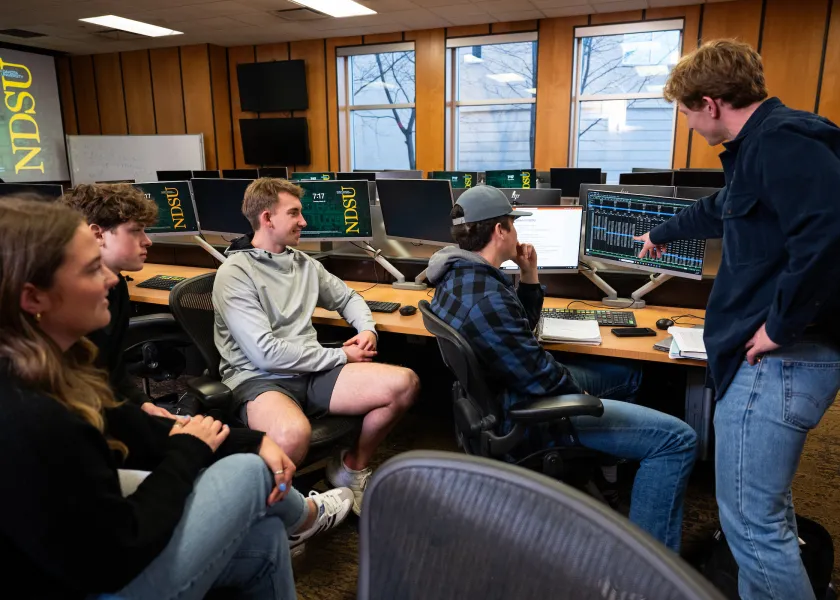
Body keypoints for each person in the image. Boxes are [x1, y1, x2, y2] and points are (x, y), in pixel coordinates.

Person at [0, 198, 354, 599]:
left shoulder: (53, 374)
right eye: (91, 269)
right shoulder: (33, 416)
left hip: (87, 549)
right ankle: (307, 516)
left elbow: (129, 424)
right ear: (34, 298)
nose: (111, 279)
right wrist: (189, 451)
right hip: (102, 576)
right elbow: (115, 554)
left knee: (266, 538)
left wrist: (252, 439)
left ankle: (299, 519)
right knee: (250, 471)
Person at [634, 39, 840, 599]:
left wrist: (780, 326)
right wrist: (661, 233)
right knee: (762, 514)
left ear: (710, 103)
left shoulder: (782, 142)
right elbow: (722, 208)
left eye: (686, 112)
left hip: (782, 360)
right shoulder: (760, 148)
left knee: (752, 527)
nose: (688, 125)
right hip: (779, 359)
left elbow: (826, 239)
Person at [427, 185, 697, 553]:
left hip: (502, 396)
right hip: (529, 412)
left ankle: (607, 469)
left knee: (627, 374)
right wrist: (578, 395)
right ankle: (649, 568)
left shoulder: (457, 275)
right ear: (500, 231)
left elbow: (518, 333)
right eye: (513, 224)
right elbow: (540, 376)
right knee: (678, 440)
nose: (517, 233)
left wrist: (530, 276)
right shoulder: (486, 295)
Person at [213, 177, 420, 514]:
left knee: (403, 384)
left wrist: (367, 329)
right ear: (267, 218)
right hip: (259, 379)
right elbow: (265, 354)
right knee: (292, 435)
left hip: (311, 370)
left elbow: (348, 298)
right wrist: (340, 355)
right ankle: (273, 514)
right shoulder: (235, 273)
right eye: (294, 213)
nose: (304, 222)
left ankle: (350, 469)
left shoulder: (304, 264)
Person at [60, 183, 172, 418]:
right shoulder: (67, 301)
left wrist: (143, 404)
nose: (147, 241)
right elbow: (80, 390)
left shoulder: (117, 285)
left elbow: (113, 371)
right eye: (135, 231)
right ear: (98, 234)